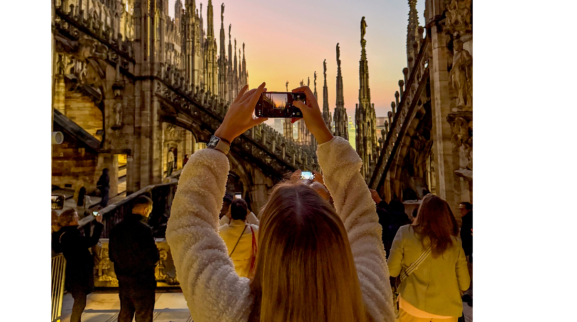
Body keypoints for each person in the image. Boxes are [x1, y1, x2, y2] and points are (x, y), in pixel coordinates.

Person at [166, 83, 395, 322]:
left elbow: (187, 224)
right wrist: (325, 137)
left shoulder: (231, 311)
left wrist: (223, 136)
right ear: (337, 238)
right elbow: (363, 217)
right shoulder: (370, 303)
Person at [388, 195, 470, 322]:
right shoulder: (455, 243)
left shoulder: (405, 233)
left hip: (412, 306)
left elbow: (391, 271)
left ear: (421, 212)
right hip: (447, 310)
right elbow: (465, 283)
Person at [109, 195, 159, 322]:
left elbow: (112, 255)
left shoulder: (116, 229)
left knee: (125, 314)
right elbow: (153, 256)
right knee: (143, 315)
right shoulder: (144, 230)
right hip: (142, 282)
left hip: (124, 281)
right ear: (145, 210)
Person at [57, 209, 104, 322]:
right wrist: (98, 223)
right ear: (70, 220)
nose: (78, 218)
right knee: (80, 301)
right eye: (76, 216)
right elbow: (91, 241)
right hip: (77, 274)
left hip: (76, 272)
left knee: (79, 300)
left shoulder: (68, 234)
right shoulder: (70, 235)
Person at [219, 199, 259, 278]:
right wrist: (249, 214)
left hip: (229, 277)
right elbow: (261, 226)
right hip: (248, 277)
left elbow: (214, 230)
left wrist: (227, 215)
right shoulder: (254, 231)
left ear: (231, 214)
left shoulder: (223, 231)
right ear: (245, 214)